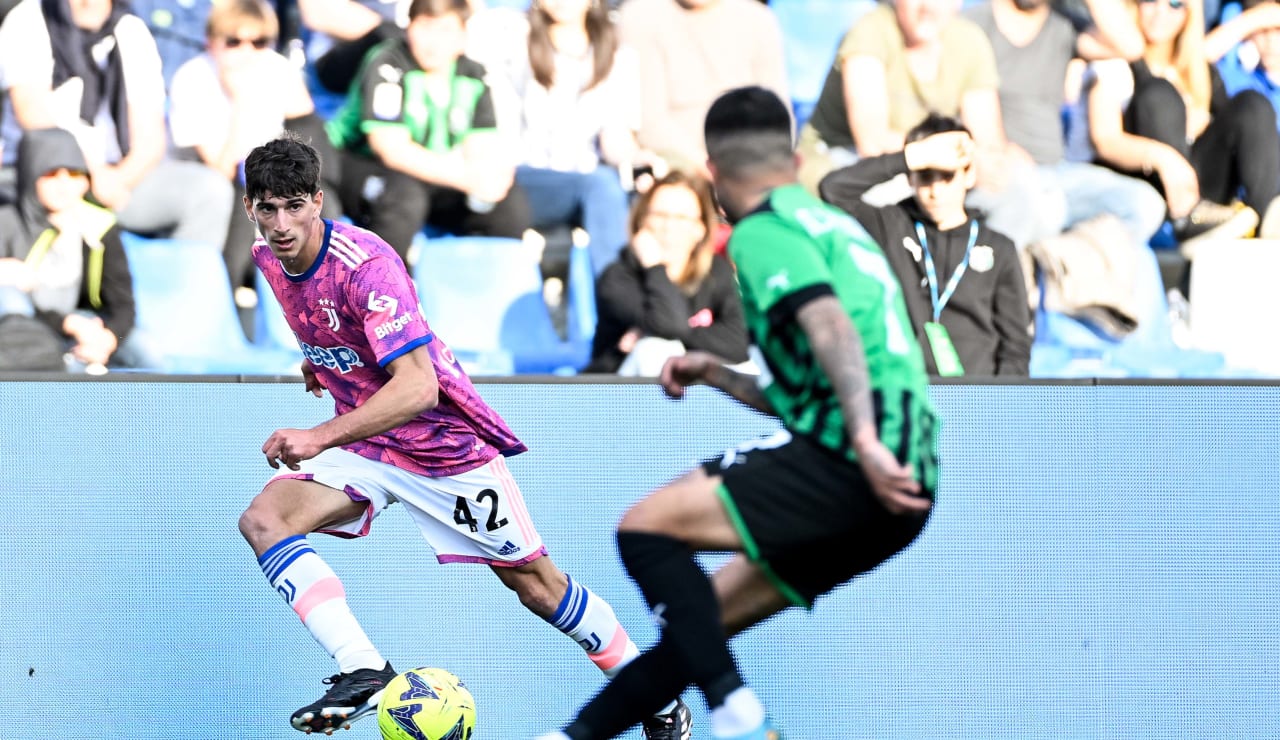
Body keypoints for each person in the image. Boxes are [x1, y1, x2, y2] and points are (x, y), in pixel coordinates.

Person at [236, 132, 690, 738]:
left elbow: (419, 387)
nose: (282, 222)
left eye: (295, 205)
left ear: (318, 200)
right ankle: (364, 668)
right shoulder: (269, 257)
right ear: (251, 209)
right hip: (369, 447)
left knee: (538, 588)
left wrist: (319, 436)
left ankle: (656, 698)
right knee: (265, 519)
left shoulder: (368, 265)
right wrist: (323, 360)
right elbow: (331, 323)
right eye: (268, 208)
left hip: (440, 449)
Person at [537, 86, 937, 740]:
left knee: (644, 531)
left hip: (857, 450)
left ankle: (738, 715)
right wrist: (716, 374)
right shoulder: (834, 224)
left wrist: (862, 439)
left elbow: (830, 328)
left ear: (714, 173)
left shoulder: (761, 231)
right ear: (795, 156)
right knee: (702, 629)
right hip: (911, 473)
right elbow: (814, 380)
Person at [0, 0, 232, 252]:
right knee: (52, 197)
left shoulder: (131, 29)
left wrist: (118, 180)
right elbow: (33, 115)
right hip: (42, 177)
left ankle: (190, 287)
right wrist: (90, 173)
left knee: (209, 191)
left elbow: (150, 139)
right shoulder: (30, 16)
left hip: (116, 179)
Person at [821, 114, 1031, 377]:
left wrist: (997, 403)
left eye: (946, 176)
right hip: (910, 392)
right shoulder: (893, 225)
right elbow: (833, 190)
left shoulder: (999, 249)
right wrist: (911, 156)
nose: (935, 190)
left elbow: (1015, 346)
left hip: (976, 399)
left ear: (969, 175)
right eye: (925, 176)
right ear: (910, 178)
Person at [327, 0, 531, 265]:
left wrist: (488, 179)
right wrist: (466, 177)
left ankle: (486, 298)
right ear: (408, 28)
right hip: (357, 163)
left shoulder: (474, 75)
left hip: (432, 172)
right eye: (424, 27)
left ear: (463, 36)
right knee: (402, 199)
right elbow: (390, 149)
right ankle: (376, 296)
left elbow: (480, 147)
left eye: (445, 30)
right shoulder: (388, 63)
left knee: (508, 205)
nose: (432, 42)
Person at [1071, 0, 1278, 256]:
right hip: (1146, 188)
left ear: (1189, 13)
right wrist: (1161, 156)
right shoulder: (1114, 61)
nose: (1161, 12)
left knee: (1252, 104)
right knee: (1160, 94)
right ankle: (1185, 220)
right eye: (1151, 1)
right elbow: (1105, 140)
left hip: (1202, 189)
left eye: (1175, 3)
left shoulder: (1200, 73)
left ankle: (1270, 216)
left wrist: (1200, 125)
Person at [962, 0, 1169, 256]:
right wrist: (996, 150)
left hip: (1057, 173)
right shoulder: (971, 24)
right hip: (1002, 173)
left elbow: (1131, 46)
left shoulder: (1064, 24)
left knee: (1144, 205)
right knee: (1039, 208)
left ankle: (1059, 267)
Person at [167, 0, 343, 293]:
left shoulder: (278, 69)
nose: (247, 52)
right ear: (211, 42)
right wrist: (242, 102)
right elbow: (220, 169)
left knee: (321, 203)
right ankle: (225, 297)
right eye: (234, 41)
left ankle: (326, 298)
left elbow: (311, 140)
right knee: (246, 204)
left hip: (271, 174)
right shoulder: (192, 78)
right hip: (214, 180)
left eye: (259, 42)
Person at [481, 0, 663, 276]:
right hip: (527, 178)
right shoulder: (515, 40)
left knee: (634, 189)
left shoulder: (618, 55)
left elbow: (615, 136)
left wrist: (638, 159)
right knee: (603, 186)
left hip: (590, 182)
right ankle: (614, 291)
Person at [0, 126, 151, 372]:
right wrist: (67, 324)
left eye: (73, 174)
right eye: (50, 174)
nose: (63, 184)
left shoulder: (99, 227)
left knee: (146, 352)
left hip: (86, 327)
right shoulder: (8, 223)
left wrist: (108, 338)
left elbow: (123, 303)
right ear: (30, 174)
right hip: (31, 333)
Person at [586, 170, 748, 375]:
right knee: (656, 349)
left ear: (701, 228)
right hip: (616, 394)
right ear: (642, 220)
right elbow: (669, 323)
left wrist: (681, 332)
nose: (669, 227)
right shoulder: (617, 278)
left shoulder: (716, 271)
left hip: (691, 392)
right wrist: (654, 266)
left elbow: (739, 344)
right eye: (660, 215)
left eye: (681, 217)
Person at [617, 0, 789, 175]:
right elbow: (650, 124)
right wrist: (710, 170)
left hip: (748, 165)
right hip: (676, 169)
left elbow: (778, 116)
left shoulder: (759, 19)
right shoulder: (641, 16)